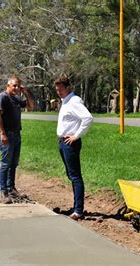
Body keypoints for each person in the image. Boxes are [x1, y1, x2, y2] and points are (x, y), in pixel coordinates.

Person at [55, 76, 93, 220]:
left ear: (67, 87)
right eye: (57, 89)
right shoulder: (65, 102)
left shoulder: (74, 101)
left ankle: (78, 210)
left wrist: (76, 135)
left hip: (70, 143)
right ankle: (76, 206)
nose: (58, 92)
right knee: (71, 175)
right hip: (63, 142)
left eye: (61, 89)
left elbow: (88, 118)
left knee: (75, 176)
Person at [0, 76, 34, 204]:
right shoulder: (3, 97)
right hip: (7, 135)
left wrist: (25, 92)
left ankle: (11, 188)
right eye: (14, 86)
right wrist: (2, 133)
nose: (17, 88)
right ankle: (3, 192)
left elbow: (31, 107)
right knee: (6, 164)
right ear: (8, 85)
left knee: (13, 164)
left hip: (17, 135)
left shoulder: (16, 98)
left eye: (18, 86)